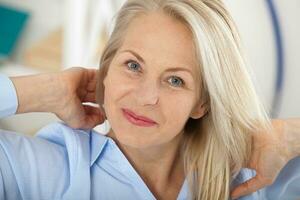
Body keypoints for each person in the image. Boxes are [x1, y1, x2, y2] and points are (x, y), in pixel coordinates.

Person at [0, 0, 300, 199]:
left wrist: (287, 135)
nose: (146, 97)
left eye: (175, 80)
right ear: (106, 69)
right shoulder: (44, 169)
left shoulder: (251, 177)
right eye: (133, 66)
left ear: (202, 103)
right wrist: (41, 90)